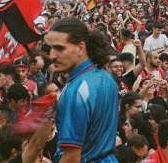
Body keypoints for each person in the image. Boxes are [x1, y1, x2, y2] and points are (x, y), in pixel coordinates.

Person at [46, 17, 119, 163]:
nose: (52, 56)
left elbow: (71, 158)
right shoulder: (105, 76)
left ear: (81, 48)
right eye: (50, 48)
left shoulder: (75, 92)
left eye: (60, 48)